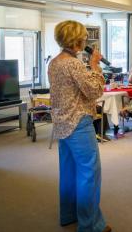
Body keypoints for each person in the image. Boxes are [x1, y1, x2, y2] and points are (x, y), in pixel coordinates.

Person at [48, 20, 111, 232]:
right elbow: (94, 91)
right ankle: (90, 225)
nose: (86, 40)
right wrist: (94, 66)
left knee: (68, 172)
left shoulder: (55, 62)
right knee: (89, 173)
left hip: (61, 123)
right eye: (84, 37)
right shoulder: (73, 63)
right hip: (78, 123)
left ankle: (69, 215)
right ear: (78, 40)